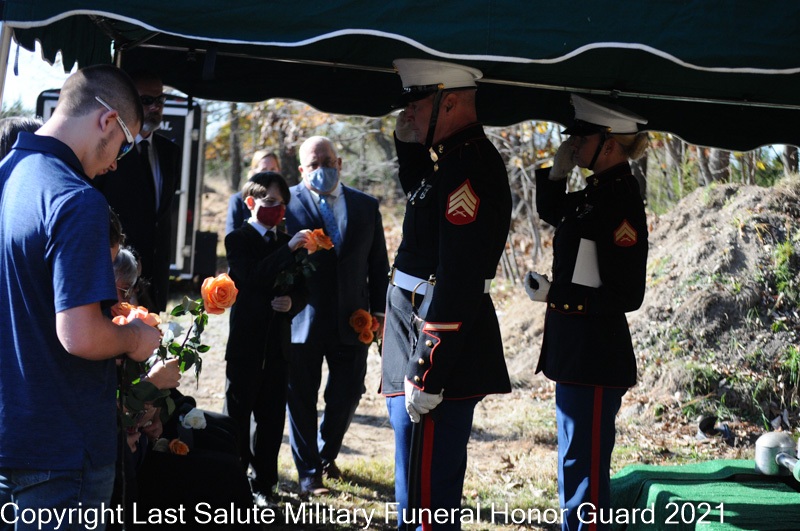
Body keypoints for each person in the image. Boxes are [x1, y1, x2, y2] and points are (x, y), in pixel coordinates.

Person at [0, 64, 162, 531]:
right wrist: (136, 338)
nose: (115, 164)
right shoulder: (77, 198)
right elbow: (82, 336)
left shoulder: (7, 173)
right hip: (60, 447)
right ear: (107, 120)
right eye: (124, 145)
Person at [381, 58, 512, 530]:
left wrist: (427, 368)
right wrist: (406, 143)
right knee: (412, 484)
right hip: (410, 328)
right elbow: (422, 201)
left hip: (434, 342)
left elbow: (458, 275)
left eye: (416, 104)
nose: (408, 113)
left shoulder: (469, 166)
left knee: (427, 499)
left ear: (450, 102)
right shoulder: (449, 160)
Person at [525, 94, 649, 531]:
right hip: (576, 353)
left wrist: (556, 296)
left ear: (609, 144)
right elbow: (553, 210)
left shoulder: (620, 201)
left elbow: (628, 293)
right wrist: (556, 173)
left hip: (595, 355)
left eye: (582, 138)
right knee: (574, 463)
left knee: (585, 473)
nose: (573, 144)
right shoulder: (597, 194)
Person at [284, 135, 390, 497]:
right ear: (302, 169)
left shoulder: (365, 206)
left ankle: (326, 453)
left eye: (328, 162)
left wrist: (379, 312)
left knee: (347, 394)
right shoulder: (288, 204)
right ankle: (309, 472)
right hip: (302, 319)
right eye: (314, 164)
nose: (322, 169)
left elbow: (377, 264)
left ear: (339, 163)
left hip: (354, 319)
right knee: (300, 397)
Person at [224, 171, 312, 506]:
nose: (278, 209)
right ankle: (233, 480)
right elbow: (251, 277)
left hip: (278, 344)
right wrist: (287, 248)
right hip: (246, 343)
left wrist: (292, 302)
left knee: (272, 418)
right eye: (271, 201)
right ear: (251, 202)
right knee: (238, 414)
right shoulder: (238, 239)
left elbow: (303, 288)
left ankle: (265, 483)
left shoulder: (287, 242)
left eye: (282, 204)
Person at [95, 69, 181, 313]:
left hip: (156, 275)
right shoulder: (112, 149)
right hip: (118, 274)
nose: (155, 107)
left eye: (160, 99)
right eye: (146, 100)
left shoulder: (169, 152)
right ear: (129, 101)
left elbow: (161, 216)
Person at [226, 150, 281, 234]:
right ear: (254, 172)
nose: (269, 174)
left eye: (273, 169)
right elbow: (231, 235)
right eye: (264, 169)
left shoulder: (284, 199)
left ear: (278, 170)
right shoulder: (238, 200)